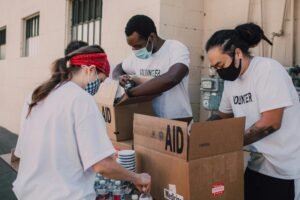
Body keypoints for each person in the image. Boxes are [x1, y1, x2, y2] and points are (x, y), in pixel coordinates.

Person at [13, 45, 151, 199]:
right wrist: (138, 177)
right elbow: (102, 165)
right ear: (90, 70)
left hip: (28, 194)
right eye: (101, 79)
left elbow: (23, 153)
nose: (99, 86)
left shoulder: (36, 95)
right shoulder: (81, 99)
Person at [205, 22, 300, 200]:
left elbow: (271, 123)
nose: (218, 71)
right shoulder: (231, 82)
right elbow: (223, 115)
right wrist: (200, 134)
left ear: (238, 54)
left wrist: (227, 143)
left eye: (220, 64)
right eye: (214, 68)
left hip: (283, 167)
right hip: (257, 163)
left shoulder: (267, 70)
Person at [112, 15, 192, 119]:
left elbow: (172, 78)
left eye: (138, 46)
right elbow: (118, 68)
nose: (135, 50)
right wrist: (120, 77)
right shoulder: (136, 57)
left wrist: (131, 92)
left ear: (152, 37)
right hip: (149, 123)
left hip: (177, 122)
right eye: (132, 47)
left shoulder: (175, 48)